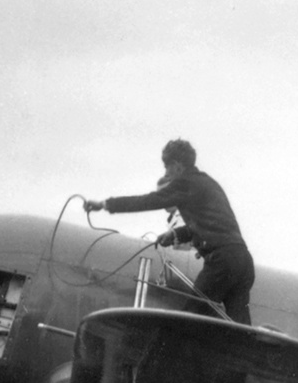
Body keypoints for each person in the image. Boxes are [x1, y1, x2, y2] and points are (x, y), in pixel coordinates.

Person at [84, 139, 256, 325]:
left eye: (167, 168)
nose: (166, 173)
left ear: (176, 165)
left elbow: (148, 201)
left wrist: (105, 204)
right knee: (241, 329)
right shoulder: (209, 183)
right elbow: (213, 225)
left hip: (222, 263)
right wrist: (175, 235)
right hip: (243, 262)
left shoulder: (186, 182)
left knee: (191, 319)